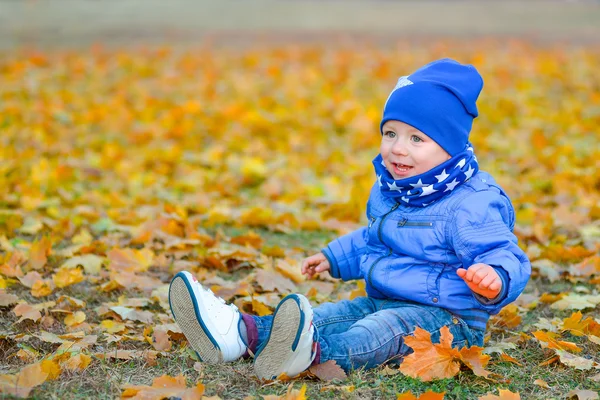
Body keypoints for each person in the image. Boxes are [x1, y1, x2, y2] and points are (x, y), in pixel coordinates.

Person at [168, 58, 532, 380]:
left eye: (416, 139)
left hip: (447, 321)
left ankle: (311, 353)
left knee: (374, 333)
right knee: (332, 314)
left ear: (449, 147)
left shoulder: (472, 203)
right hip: (383, 297)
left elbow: (503, 252)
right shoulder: (395, 188)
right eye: (390, 133)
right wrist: (334, 257)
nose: (397, 148)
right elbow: (375, 238)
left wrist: (495, 277)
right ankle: (239, 333)